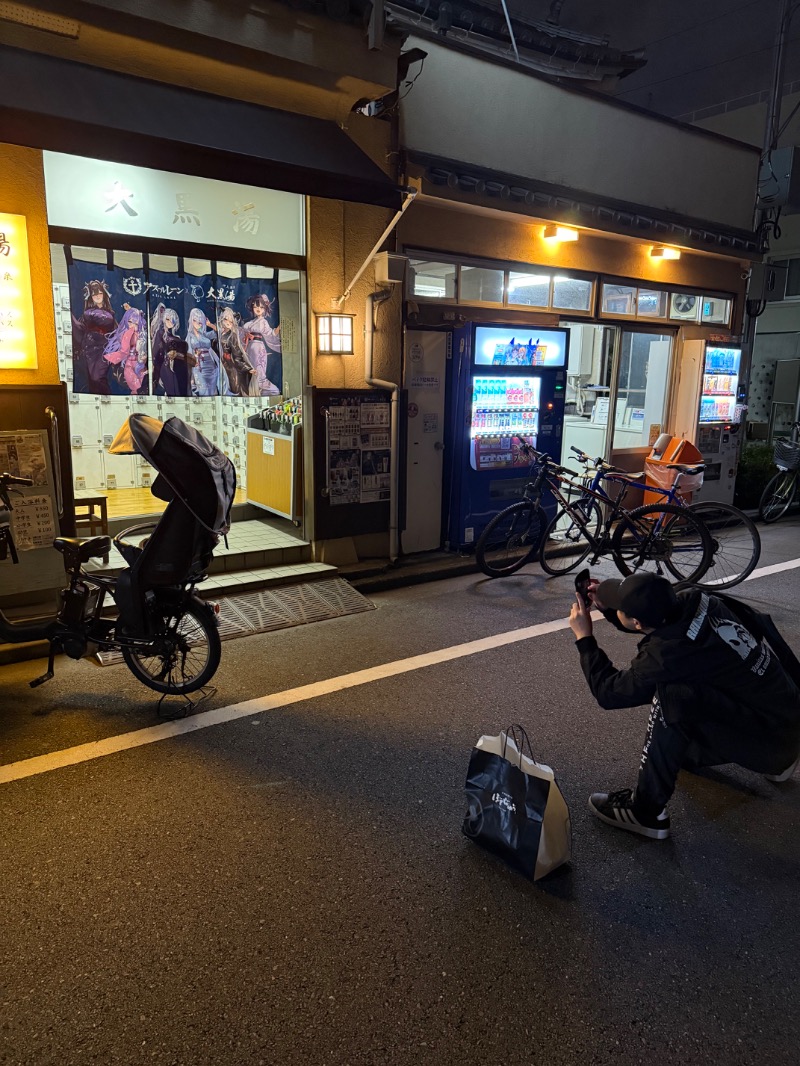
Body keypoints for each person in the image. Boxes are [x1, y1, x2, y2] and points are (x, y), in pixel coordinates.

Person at [568, 572, 800, 840]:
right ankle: (780, 755)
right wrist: (610, 607)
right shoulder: (696, 597)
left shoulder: (668, 655)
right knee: (685, 747)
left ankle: (646, 812)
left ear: (636, 621)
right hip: (787, 714)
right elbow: (653, 621)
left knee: (673, 695)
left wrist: (584, 639)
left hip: (771, 744)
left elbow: (609, 693)